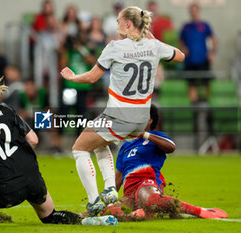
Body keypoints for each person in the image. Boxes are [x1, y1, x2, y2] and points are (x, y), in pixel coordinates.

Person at [60, 6, 185, 216]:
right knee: (100, 143)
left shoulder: (115, 47)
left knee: (80, 148)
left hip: (119, 116)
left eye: (119, 21)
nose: (117, 25)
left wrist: (72, 77)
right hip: (141, 117)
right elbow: (180, 56)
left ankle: (94, 202)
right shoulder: (154, 46)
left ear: (128, 24)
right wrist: (154, 41)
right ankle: (110, 189)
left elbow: (91, 78)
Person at [0, 74, 85, 224]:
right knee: (50, 216)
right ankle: (88, 220)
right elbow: (34, 139)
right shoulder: (4, 108)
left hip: (5, 192)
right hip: (32, 179)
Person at [102, 104, 228, 220]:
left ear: (150, 120)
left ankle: (200, 211)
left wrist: (145, 135)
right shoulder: (126, 146)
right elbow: (118, 177)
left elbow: (171, 147)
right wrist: (107, 198)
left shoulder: (155, 136)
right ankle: (137, 214)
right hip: (129, 191)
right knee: (108, 211)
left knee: (150, 200)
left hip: (147, 183)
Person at [179, 2, 217, 103]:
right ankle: (195, 108)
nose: (193, 13)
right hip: (190, 61)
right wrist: (183, 49)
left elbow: (213, 39)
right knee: (191, 84)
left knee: (206, 83)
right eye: (191, 11)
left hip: (203, 59)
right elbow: (181, 40)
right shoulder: (186, 27)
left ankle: (208, 106)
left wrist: (212, 53)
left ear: (199, 12)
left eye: (195, 11)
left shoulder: (205, 25)